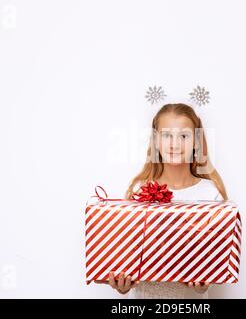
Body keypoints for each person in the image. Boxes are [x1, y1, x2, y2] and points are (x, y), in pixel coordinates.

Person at [96, 103, 228, 298]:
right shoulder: (140, 190)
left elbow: (214, 261)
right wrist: (123, 285)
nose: (175, 144)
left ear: (196, 141)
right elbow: (129, 256)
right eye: (167, 136)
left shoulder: (210, 196)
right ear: (156, 141)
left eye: (184, 136)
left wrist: (205, 284)